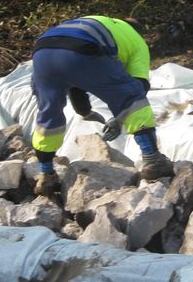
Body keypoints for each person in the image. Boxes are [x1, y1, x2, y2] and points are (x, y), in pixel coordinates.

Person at [29, 15, 174, 196]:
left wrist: (85, 112)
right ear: (138, 31)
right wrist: (119, 119)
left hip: (43, 51)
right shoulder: (136, 40)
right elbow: (139, 86)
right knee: (133, 98)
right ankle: (153, 159)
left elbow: (73, 77)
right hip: (83, 49)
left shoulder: (95, 21)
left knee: (49, 113)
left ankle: (46, 175)